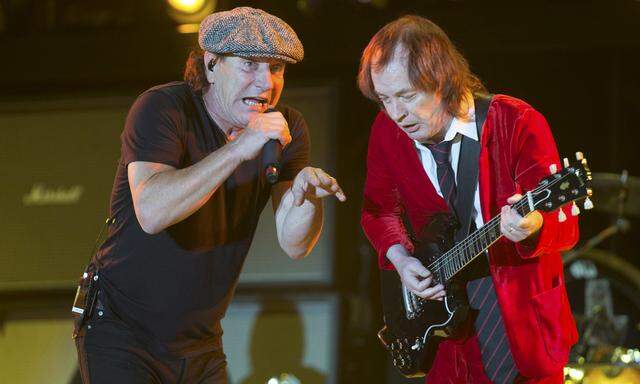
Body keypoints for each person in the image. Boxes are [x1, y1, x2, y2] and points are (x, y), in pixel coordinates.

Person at [72, 7, 345, 383]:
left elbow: (295, 245)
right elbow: (151, 211)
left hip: (199, 342)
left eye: (277, 69)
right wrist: (239, 148)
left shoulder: (286, 129)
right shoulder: (163, 108)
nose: (266, 84)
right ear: (211, 64)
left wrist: (304, 197)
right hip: (123, 330)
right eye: (250, 64)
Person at [358, 15, 578, 383]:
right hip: (443, 324)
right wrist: (399, 259)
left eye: (408, 96)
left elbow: (565, 222)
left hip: (518, 319)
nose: (396, 113)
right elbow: (378, 210)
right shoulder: (387, 132)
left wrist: (531, 225)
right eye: (385, 100)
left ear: (442, 80)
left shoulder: (517, 122)